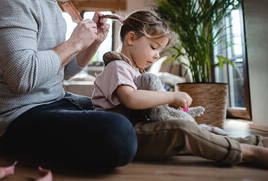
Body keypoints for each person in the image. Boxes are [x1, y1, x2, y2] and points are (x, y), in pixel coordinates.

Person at [0, 0, 137, 169]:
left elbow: (63, 72)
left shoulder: (55, 5)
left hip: (56, 102)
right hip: (18, 119)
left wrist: (93, 43)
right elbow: (22, 77)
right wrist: (75, 42)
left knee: (126, 108)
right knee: (119, 133)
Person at [92, 10, 268, 168]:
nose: (157, 55)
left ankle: (254, 142)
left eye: (160, 50)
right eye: (153, 47)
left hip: (137, 128)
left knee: (200, 132)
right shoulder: (117, 66)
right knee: (182, 130)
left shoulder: (135, 70)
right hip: (123, 134)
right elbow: (131, 99)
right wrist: (170, 97)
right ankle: (249, 153)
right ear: (131, 38)